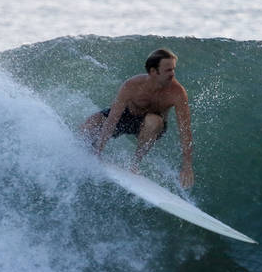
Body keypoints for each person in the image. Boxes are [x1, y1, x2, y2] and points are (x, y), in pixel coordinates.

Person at [81, 48, 194, 189]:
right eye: (168, 70)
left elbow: (185, 131)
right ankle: (89, 153)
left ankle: (134, 164)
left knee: (153, 121)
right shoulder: (131, 85)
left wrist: (187, 165)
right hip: (127, 116)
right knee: (88, 125)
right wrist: (99, 151)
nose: (173, 74)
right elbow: (112, 119)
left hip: (152, 124)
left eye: (173, 69)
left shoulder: (177, 93)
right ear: (153, 71)